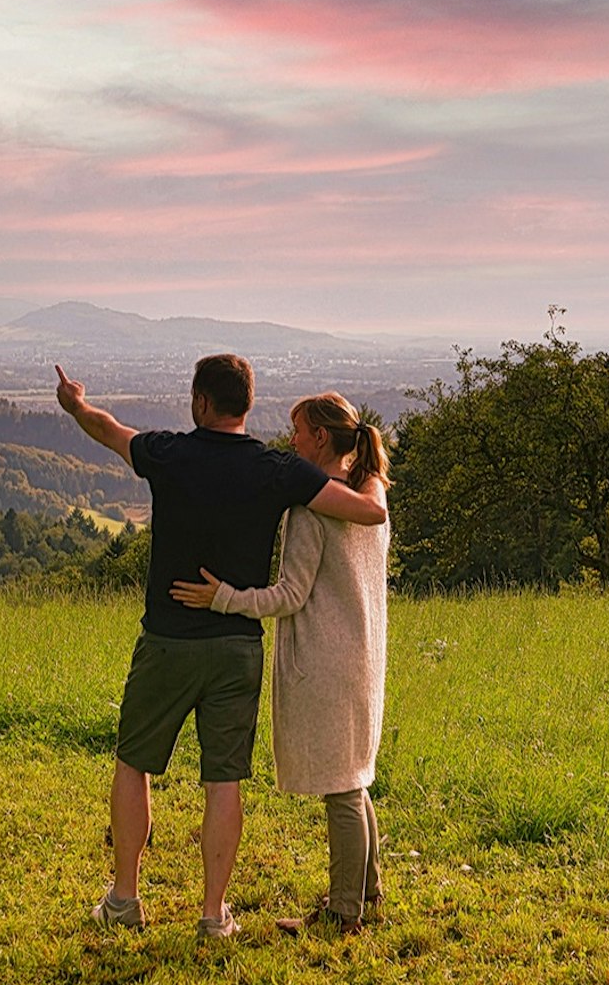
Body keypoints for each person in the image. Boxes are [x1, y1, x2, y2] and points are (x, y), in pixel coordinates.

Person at [55, 357, 388, 939]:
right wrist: (375, 477)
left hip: (167, 641)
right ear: (247, 405)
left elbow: (109, 432)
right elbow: (366, 510)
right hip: (238, 650)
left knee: (134, 764)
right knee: (223, 780)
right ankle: (214, 914)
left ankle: (126, 898)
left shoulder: (169, 453)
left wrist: (76, 405)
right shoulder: (279, 471)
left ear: (201, 403)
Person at [169, 392, 389, 934]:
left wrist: (224, 597)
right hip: (363, 657)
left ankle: (343, 913)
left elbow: (288, 595)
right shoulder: (368, 492)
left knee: (341, 785)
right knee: (355, 778)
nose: (290, 440)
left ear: (318, 437)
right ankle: (368, 892)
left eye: (297, 431)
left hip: (324, 660)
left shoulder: (315, 508)